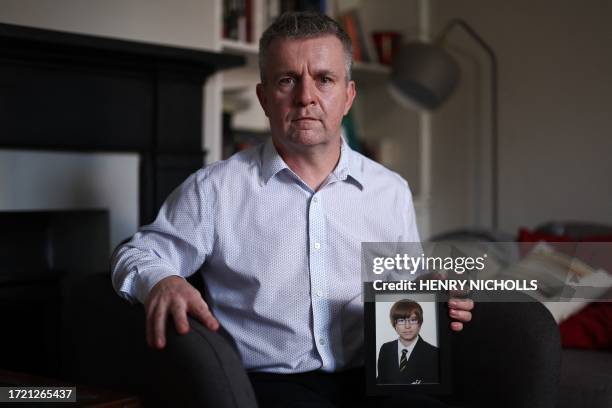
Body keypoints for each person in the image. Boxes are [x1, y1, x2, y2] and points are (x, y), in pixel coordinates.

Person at [111, 11, 473, 407]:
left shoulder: (391, 190)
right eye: (287, 80)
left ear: (348, 96)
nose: (306, 97)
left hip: (383, 374)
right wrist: (162, 280)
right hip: (272, 385)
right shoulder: (214, 189)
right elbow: (137, 253)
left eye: (324, 79)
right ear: (265, 98)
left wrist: (433, 285)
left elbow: (407, 285)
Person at [377, 300, 439, 385]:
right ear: (394, 324)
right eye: (401, 321)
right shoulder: (386, 349)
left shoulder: (434, 353)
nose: (407, 326)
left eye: (413, 320)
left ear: (420, 323)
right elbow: (381, 382)